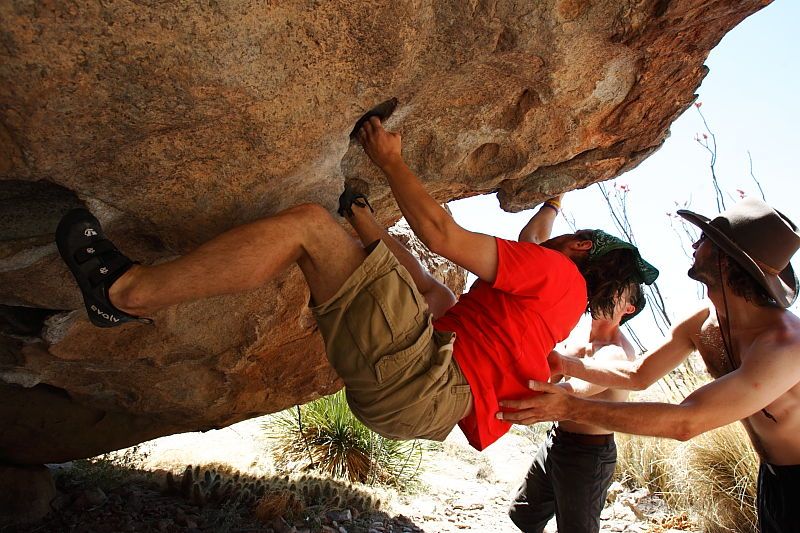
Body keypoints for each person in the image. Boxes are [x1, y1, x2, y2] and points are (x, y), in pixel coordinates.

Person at [55, 117, 651, 450]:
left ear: (577, 250)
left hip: (424, 383)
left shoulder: (555, 273)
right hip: (422, 403)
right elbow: (446, 270)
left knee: (311, 231)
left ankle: (123, 295)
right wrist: (551, 201)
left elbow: (443, 234)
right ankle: (361, 218)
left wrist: (390, 157)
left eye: (564, 237)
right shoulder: (555, 305)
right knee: (434, 295)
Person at [497, 197, 800, 531]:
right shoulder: (701, 321)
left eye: (706, 241)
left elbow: (687, 422)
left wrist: (569, 407)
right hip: (772, 477)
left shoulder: (785, 346)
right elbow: (638, 374)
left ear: (726, 261)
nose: (694, 243)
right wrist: (565, 363)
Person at [508, 198, 649, 533]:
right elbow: (532, 248)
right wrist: (553, 203)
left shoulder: (617, 351)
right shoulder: (574, 328)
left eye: (617, 291)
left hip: (589, 457)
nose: (605, 292)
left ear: (627, 308)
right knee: (523, 515)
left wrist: (549, 390)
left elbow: (583, 386)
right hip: (556, 441)